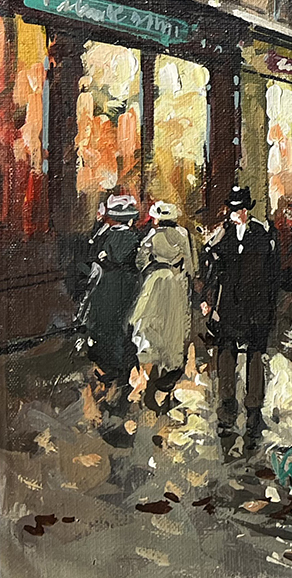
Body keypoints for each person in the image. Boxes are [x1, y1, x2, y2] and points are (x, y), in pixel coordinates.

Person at [204, 187, 279, 451]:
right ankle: (226, 411)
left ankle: (254, 412)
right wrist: (209, 301)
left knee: (255, 357)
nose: (236, 213)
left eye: (239, 209)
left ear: (247, 210)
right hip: (229, 307)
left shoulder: (262, 234)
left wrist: (271, 308)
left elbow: (272, 274)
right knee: (226, 355)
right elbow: (212, 269)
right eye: (233, 209)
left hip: (256, 306)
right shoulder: (221, 235)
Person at [79, 192, 145, 427]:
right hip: (127, 293)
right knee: (123, 333)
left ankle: (108, 382)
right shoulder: (136, 239)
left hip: (104, 293)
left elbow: (89, 260)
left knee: (104, 333)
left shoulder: (102, 237)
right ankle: (118, 390)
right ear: (130, 219)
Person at [129, 201, 199, 413]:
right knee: (173, 329)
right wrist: (187, 276)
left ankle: (150, 377)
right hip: (176, 284)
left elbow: (140, 260)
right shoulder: (183, 234)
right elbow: (191, 264)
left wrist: (150, 268)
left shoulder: (152, 235)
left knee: (150, 324)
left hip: (156, 281)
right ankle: (166, 384)